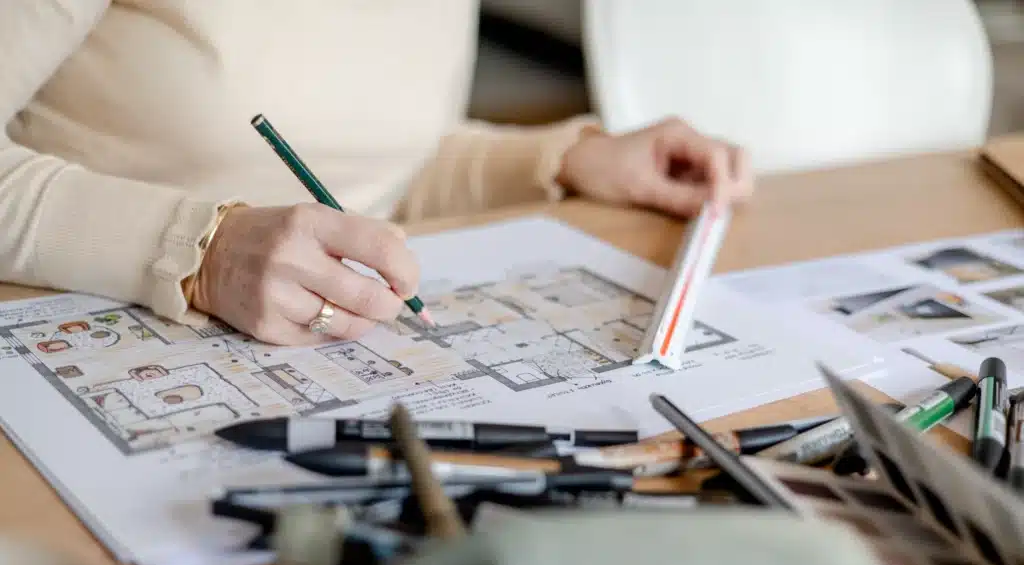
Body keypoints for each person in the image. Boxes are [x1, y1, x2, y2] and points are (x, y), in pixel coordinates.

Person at [0, 1, 754, 346]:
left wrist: (560, 160)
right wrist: (199, 254)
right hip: (77, 331)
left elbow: (380, 159)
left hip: (327, 356)